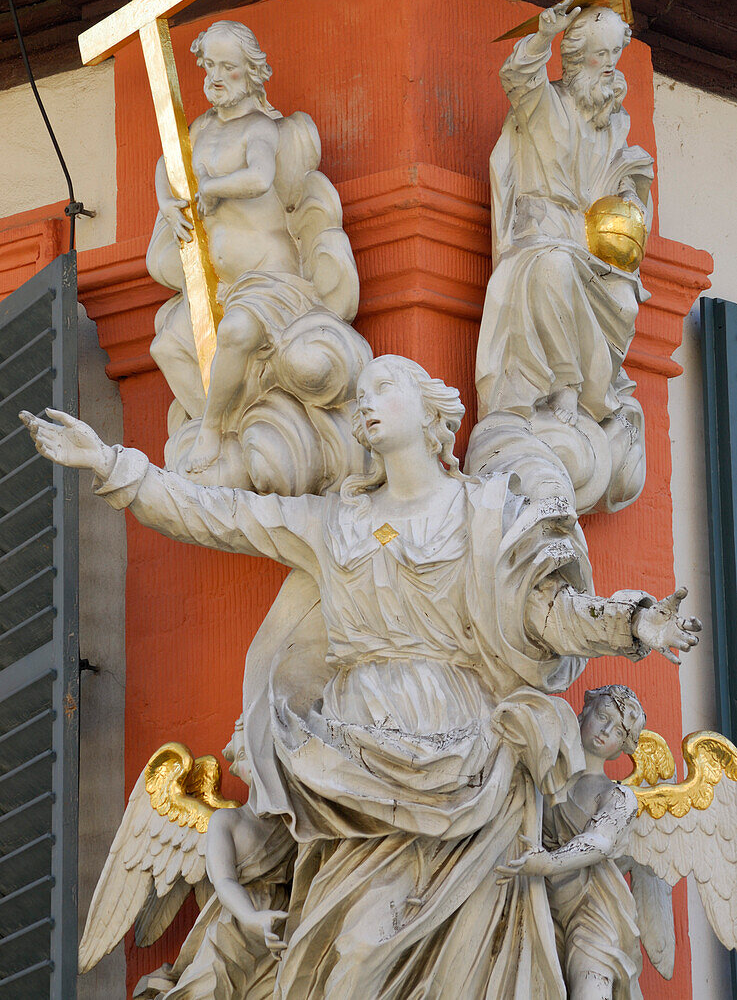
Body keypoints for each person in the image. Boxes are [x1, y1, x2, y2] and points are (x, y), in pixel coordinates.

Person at [20, 356, 699, 998]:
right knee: (348, 954)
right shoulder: (334, 523)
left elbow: (549, 613)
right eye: (359, 398)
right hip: (355, 766)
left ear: (432, 412)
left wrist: (635, 624)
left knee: (454, 962)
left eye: (382, 389)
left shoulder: (488, 517)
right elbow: (217, 515)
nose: (365, 404)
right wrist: (112, 465)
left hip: (466, 761)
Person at [147, 19, 368, 485]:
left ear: (250, 71)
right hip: (217, 286)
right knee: (165, 345)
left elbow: (259, 178)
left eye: (228, 67)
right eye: (209, 67)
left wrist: (211, 186)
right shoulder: (200, 129)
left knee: (238, 332)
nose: (216, 77)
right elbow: (166, 164)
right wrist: (168, 205)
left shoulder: (261, 128)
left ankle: (209, 430)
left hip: (268, 280)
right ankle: (226, 423)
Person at [477, 0, 654, 430]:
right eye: (601, 54)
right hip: (541, 229)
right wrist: (543, 35)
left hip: (592, 239)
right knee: (554, 267)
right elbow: (517, 77)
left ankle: (598, 391)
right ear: (577, 57)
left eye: (616, 53)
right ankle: (566, 384)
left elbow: (620, 173)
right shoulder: (545, 105)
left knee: (625, 301)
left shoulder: (613, 119)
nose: (611, 64)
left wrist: (628, 197)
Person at [497, 685, 648, 1000]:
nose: (605, 731)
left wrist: (547, 863)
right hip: (540, 902)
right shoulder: (543, 775)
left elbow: (599, 842)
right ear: (584, 710)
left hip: (594, 908)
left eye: (619, 731)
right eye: (603, 716)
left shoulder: (618, 797)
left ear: (624, 746)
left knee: (589, 986)